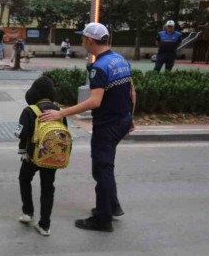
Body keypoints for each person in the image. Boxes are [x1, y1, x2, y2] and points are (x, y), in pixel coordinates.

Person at [40, 23, 135, 233]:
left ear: (90, 41)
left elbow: (95, 102)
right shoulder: (119, 60)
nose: (81, 42)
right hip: (122, 120)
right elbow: (131, 91)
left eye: (83, 39)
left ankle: (103, 219)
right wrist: (131, 117)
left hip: (107, 125)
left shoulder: (99, 67)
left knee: (102, 169)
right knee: (105, 166)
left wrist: (61, 113)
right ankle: (111, 206)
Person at [15, 76, 67, 236]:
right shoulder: (59, 111)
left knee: (24, 179)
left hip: (32, 156)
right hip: (51, 156)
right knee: (48, 187)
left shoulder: (30, 111)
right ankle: (45, 225)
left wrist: (23, 150)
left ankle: (28, 212)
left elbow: (20, 134)